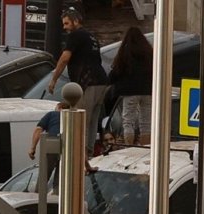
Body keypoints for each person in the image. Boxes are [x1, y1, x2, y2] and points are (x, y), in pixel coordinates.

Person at [47, 8, 109, 154]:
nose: (65, 27)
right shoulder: (91, 37)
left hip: (88, 82)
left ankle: (81, 155)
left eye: (67, 23)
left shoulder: (76, 35)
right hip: (101, 82)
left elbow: (64, 58)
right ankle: (89, 151)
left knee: (82, 120)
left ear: (76, 21)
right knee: (93, 120)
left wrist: (53, 80)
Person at [107, 27, 153, 145]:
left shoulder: (125, 53)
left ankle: (129, 146)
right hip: (147, 90)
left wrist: (110, 81)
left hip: (130, 92)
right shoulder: (149, 52)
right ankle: (146, 146)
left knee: (128, 121)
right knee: (146, 122)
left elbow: (116, 72)